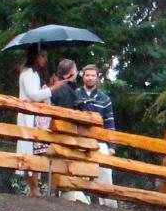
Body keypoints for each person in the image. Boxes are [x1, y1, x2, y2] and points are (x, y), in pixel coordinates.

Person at [16, 47, 68, 195]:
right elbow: (34, 95)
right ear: (35, 57)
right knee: (31, 152)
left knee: (34, 152)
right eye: (42, 56)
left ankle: (34, 188)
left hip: (33, 118)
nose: (44, 60)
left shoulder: (32, 74)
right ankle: (34, 188)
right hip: (30, 119)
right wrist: (53, 88)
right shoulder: (29, 73)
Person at [77, 64, 118, 201]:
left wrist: (111, 146)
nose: (90, 78)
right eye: (87, 75)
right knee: (79, 171)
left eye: (93, 75)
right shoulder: (76, 94)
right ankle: (80, 202)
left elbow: (109, 121)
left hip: (100, 142)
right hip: (79, 140)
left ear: (97, 77)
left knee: (105, 172)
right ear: (83, 77)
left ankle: (108, 204)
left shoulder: (104, 99)